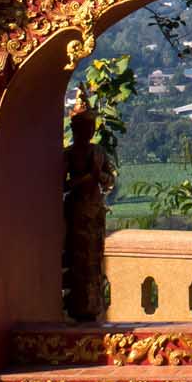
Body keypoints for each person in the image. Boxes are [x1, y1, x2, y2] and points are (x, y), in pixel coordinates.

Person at [62, 93, 115, 322]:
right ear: (75, 129)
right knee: (78, 259)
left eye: (90, 127)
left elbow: (109, 179)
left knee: (94, 260)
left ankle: (94, 305)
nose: (88, 132)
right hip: (77, 210)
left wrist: (99, 176)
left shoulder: (98, 152)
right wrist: (87, 178)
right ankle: (78, 306)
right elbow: (62, 185)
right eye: (83, 127)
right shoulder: (69, 155)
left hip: (95, 209)